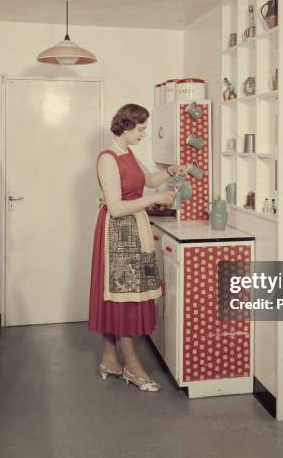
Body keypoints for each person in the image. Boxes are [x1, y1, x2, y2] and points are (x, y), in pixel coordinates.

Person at [89, 103, 187, 392]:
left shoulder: (128, 153)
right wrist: (153, 200)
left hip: (136, 229)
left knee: (123, 296)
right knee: (122, 298)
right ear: (127, 126)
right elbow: (116, 207)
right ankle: (133, 367)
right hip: (118, 232)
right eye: (141, 128)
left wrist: (170, 171)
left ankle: (109, 358)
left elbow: (149, 180)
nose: (144, 134)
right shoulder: (107, 159)